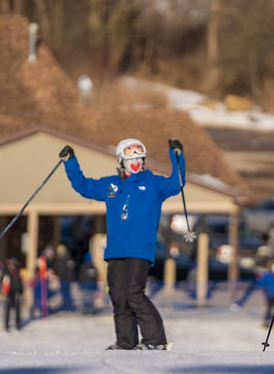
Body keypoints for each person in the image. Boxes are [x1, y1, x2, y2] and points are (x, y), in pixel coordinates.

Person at [60, 138, 184, 350]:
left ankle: (155, 340)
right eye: (130, 159)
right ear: (120, 160)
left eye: (139, 159)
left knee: (134, 292)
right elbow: (84, 186)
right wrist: (70, 162)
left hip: (140, 249)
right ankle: (126, 342)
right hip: (116, 249)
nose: (135, 163)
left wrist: (177, 156)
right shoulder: (111, 185)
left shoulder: (154, 184)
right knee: (118, 295)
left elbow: (176, 182)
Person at [0, 258, 24, 331]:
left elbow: (20, 283)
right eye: (11, 264)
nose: (12, 266)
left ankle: (18, 324)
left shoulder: (17, 272)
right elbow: (0, 284)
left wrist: (21, 292)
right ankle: (6, 325)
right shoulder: (5, 272)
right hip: (8, 293)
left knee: (18, 310)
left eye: (14, 264)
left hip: (16, 293)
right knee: (7, 310)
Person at [54, 244, 76, 311]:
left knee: (65, 292)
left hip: (64, 278)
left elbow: (61, 269)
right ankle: (68, 305)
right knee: (67, 292)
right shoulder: (69, 258)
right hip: (68, 278)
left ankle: (67, 305)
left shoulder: (62, 258)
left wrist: (58, 274)